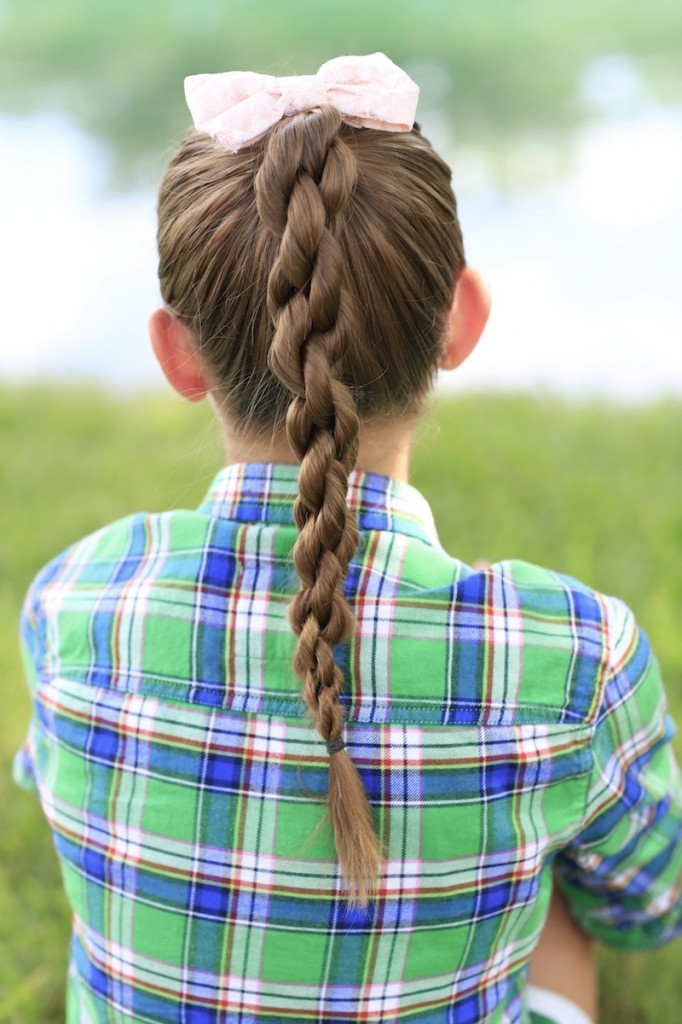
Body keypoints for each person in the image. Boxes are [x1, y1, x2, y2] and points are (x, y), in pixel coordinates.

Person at [14, 53, 682, 1024]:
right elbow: (648, 904)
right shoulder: (576, 656)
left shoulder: (73, 603)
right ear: (460, 322)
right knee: (568, 891)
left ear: (177, 354)